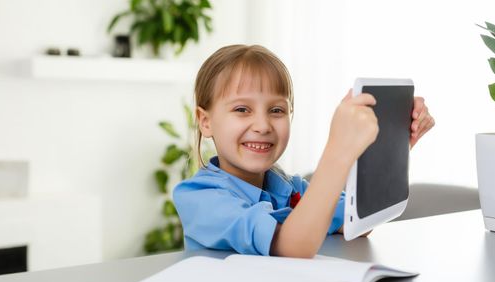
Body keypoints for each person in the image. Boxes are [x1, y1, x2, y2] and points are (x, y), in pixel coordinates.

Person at [173, 44, 435, 258]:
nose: (263, 126)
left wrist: (390, 147)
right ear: (205, 122)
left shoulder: (289, 187)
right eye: (242, 110)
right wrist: (338, 151)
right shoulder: (200, 198)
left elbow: (355, 223)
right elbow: (291, 248)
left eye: (276, 110)